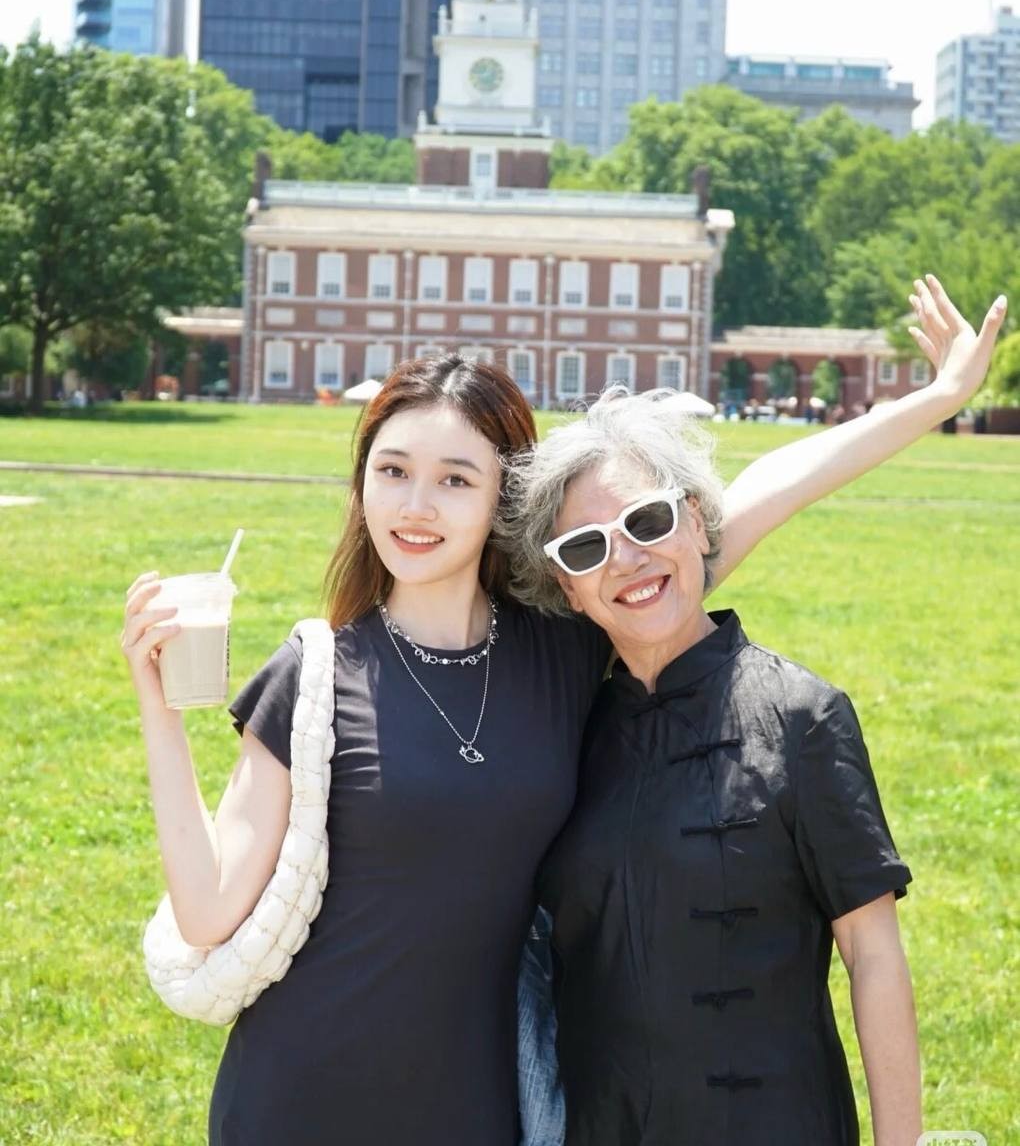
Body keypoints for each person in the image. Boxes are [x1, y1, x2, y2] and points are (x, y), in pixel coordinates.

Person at [119, 276, 1004, 1145]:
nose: (416, 506)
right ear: (363, 486)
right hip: (297, 1095)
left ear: (499, 506)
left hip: (475, 1109)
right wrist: (160, 713)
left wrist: (938, 398)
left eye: (455, 479)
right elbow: (207, 911)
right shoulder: (314, 675)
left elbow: (756, 497)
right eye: (392, 471)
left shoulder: (569, 641)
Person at [509, 392, 920, 1146]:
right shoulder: (564, 737)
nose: (625, 560)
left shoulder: (803, 716)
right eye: (586, 549)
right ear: (567, 586)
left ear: (695, 523)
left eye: (647, 522)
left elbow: (873, 956)